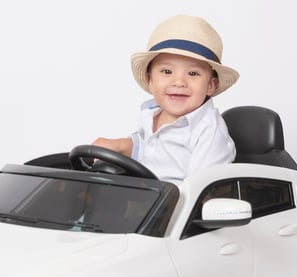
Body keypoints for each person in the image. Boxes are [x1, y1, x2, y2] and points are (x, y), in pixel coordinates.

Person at [93, 15, 239, 182]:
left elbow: (202, 188)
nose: (178, 82)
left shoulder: (208, 131)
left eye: (193, 73)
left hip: (179, 205)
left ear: (210, 86)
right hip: (148, 200)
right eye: (167, 72)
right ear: (150, 80)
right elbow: (146, 151)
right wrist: (118, 145)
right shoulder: (150, 114)